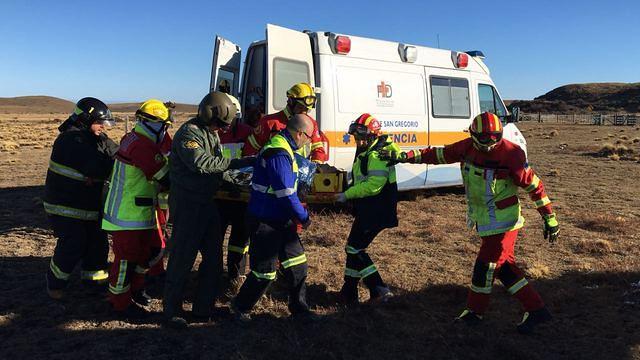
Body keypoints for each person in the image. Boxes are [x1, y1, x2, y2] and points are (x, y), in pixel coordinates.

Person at [382, 112, 559, 334]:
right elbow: (439, 154)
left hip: (505, 224)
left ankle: (475, 314)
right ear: (474, 135)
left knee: (484, 268)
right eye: (485, 138)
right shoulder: (467, 148)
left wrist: (549, 216)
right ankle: (537, 310)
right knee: (504, 269)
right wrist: (406, 156)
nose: (491, 142)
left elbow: (534, 186)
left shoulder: (511, 154)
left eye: (496, 136)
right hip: (485, 220)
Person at [162, 91, 254, 329]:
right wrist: (240, 162)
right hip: (188, 205)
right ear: (208, 115)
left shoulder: (211, 134)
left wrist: (235, 182)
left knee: (213, 260)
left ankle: (203, 309)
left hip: (207, 203)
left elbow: (217, 169)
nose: (221, 130)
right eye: (219, 124)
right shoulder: (188, 134)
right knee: (182, 259)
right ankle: (171, 311)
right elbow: (203, 163)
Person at [231, 114, 318, 322]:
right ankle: (239, 307)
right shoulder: (279, 152)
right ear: (299, 133)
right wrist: (303, 217)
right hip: (266, 221)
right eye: (308, 137)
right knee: (265, 272)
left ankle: (300, 310)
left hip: (280, 219)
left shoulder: (284, 147)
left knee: (298, 263)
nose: (308, 142)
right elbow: (286, 193)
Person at [102, 99, 172, 318]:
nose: (166, 130)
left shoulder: (135, 137)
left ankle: (136, 290)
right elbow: (165, 176)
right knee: (125, 262)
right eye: (165, 125)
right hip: (127, 215)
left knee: (145, 254)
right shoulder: (142, 145)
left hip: (138, 211)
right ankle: (120, 304)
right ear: (155, 124)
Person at [44, 97, 118, 299]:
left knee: (97, 244)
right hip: (65, 206)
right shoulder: (70, 141)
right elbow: (103, 167)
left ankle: (94, 284)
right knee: (74, 243)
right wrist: (104, 170)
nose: (103, 127)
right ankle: (55, 283)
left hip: (88, 205)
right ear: (85, 120)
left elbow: (118, 155)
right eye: (99, 122)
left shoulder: (96, 138)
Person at [333, 113, 400, 305]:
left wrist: (347, 195)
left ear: (372, 135)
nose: (358, 140)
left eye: (361, 137)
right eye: (356, 137)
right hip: (369, 208)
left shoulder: (378, 154)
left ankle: (379, 289)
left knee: (354, 248)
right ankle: (349, 291)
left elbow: (373, 186)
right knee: (353, 247)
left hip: (377, 209)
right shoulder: (367, 151)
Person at [217, 94, 252, 295]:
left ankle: (236, 275)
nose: (227, 125)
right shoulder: (211, 133)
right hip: (218, 196)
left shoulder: (247, 132)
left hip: (241, 196)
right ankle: (212, 273)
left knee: (240, 239)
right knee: (215, 238)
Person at [243, 83, 327, 162]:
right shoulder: (269, 122)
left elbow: (318, 150)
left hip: (301, 174)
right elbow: (250, 150)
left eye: (307, 109)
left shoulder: (311, 124)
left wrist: (314, 168)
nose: (304, 112)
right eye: (301, 107)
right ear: (291, 101)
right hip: (274, 171)